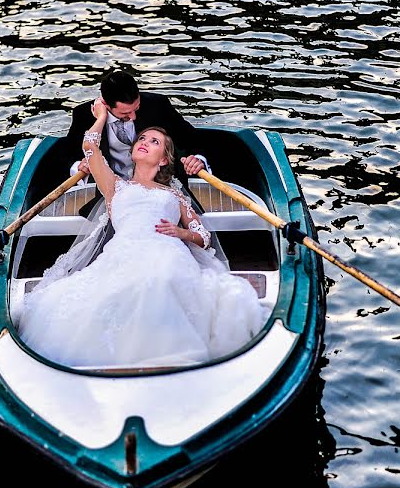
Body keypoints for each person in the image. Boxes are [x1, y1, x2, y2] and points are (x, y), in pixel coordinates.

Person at [16, 102, 268, 369]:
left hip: (168, 252)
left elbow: (203, 236)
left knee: (162, 275)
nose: (145, 142)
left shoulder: (174, 194)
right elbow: (90, 148)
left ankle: (167, 357)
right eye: (142, 139)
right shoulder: (115, 186)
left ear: (163, 159)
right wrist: (102, 117)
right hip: (123, 253)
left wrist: (182, 232)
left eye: (155, 141)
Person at [61, 70, 210, 184]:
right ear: (106, 105)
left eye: (136, 108)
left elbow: (191, 137)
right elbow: (68, 154)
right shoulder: (83, 114)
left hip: (159, 183)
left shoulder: (157, 105)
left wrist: (197, 158)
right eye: (125, 113)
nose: (133, 117)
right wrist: (79, 166)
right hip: (111, 187)